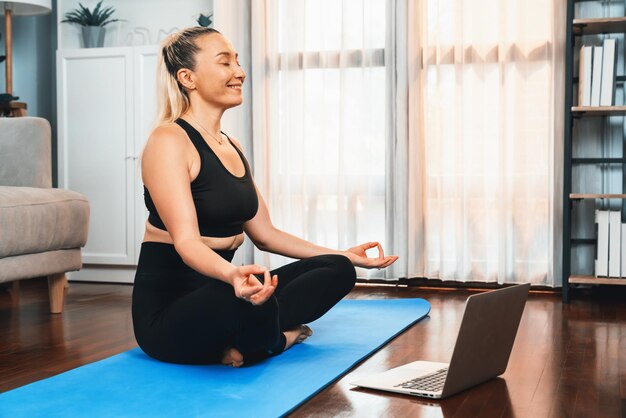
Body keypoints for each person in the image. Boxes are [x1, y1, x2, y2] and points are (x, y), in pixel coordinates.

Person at [132, 26, 398, 367]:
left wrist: (343, 253)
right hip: (170, 313)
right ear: (188, 77)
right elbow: (186, 242)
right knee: (244, 299)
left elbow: (267, 234)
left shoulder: (232, 146)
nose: (239, 72)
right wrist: (231, 276)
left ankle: (247, 340)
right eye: (225, 63)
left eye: (237, 63)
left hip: (228, 292)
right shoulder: (168, 140)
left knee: (338, 269)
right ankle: (278, 340)